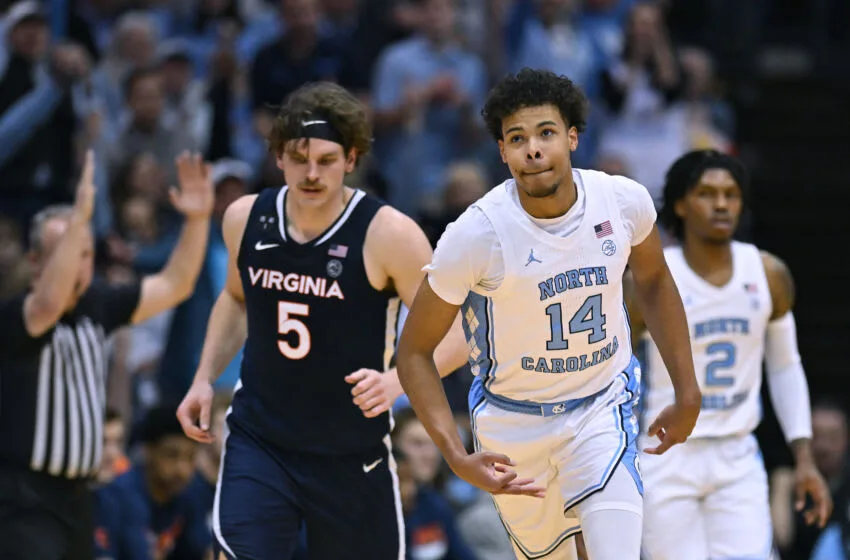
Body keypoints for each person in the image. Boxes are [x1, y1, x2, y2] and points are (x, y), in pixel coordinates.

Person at [395, 67, 702, 560]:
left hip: (601, 406)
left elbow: (654, 280)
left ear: (573, 137)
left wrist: (687, 390)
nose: (532, 149)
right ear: (501, 151)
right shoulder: (476, 235)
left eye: (546, 134)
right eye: (517, 138)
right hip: (514, 426)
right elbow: (412, 351)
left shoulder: (622, 201)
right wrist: (455, 455)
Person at [176, 81, 468, 559]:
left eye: (327, 160)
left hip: (350, 453)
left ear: (351, 160)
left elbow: (461, 330)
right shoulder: (245, 217)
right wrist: (204, 378)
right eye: (298, 158)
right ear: (278, 157)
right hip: (261, 440)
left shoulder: (388, 233)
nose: (311, 173)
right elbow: (235, 300)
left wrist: (399, 381)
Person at [0, 150, 214, 560]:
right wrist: (81, 220)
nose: (77, 265)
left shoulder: (98, 305)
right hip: (23, 497)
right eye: (63, 252)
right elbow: (46, 306)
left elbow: (176, 283)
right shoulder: (14, 315)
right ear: (35, 262)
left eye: (83, 254)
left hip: (80, 496)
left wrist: (198, 219)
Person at [631, 149, 832, 559]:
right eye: (707, 193)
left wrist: (804, 456)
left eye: (731, 194)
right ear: (682, 205)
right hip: (666, 454)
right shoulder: (649, 280)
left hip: (737, 452)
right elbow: (617, 373)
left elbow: (785, 367)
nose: (721, 203)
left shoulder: (769, 274)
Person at [94, 404, 213, 559]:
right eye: (172, 455)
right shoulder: (115, 496)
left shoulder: (190, 493)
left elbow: (206, 551)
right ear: (148, 451)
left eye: (190, 458)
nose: (182, 469)